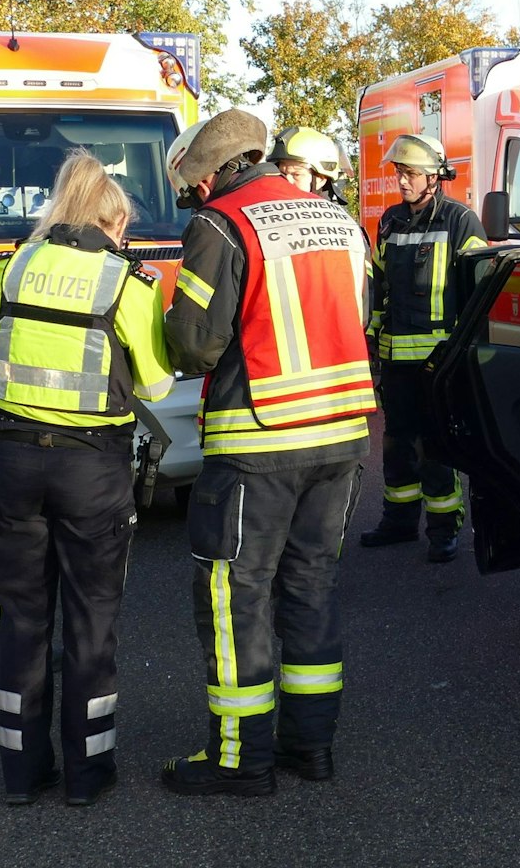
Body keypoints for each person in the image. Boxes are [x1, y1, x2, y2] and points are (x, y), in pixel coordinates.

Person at [161, 108, 375, 797]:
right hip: (340, 435)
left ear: (207, 176)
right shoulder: (338, 221)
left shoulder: (220, 223)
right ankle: (310, 748)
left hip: (259, 438)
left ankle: (240, 758)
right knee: (311, 586)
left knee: (236, 594)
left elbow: (195, 343)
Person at [0, 149, 171, 807]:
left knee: (23, 619)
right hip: (91, 468)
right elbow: (156, 381)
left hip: (12, 462)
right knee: (91, 622)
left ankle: (21, 775)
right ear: (112, 223)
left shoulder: (5, 271)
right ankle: (89, 776)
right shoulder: (125, 283)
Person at [360, 133, 485, 563]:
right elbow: (377, 289)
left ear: (435, 177)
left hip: (439, 362)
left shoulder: (460, 221)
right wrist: (372, 342)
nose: (403, 182)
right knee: (396, 444)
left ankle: (443, 530)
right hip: (395, 361)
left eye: (411, 174)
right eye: (400, 173)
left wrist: (465, 354)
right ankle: (397, 522)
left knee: (435, 448)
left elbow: (478, 291)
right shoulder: (390, 221)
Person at [266, 128, 349, 207]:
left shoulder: (330, 220)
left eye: (296, 174)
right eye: (282, 174)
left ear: (321, 179)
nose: (287, 182)